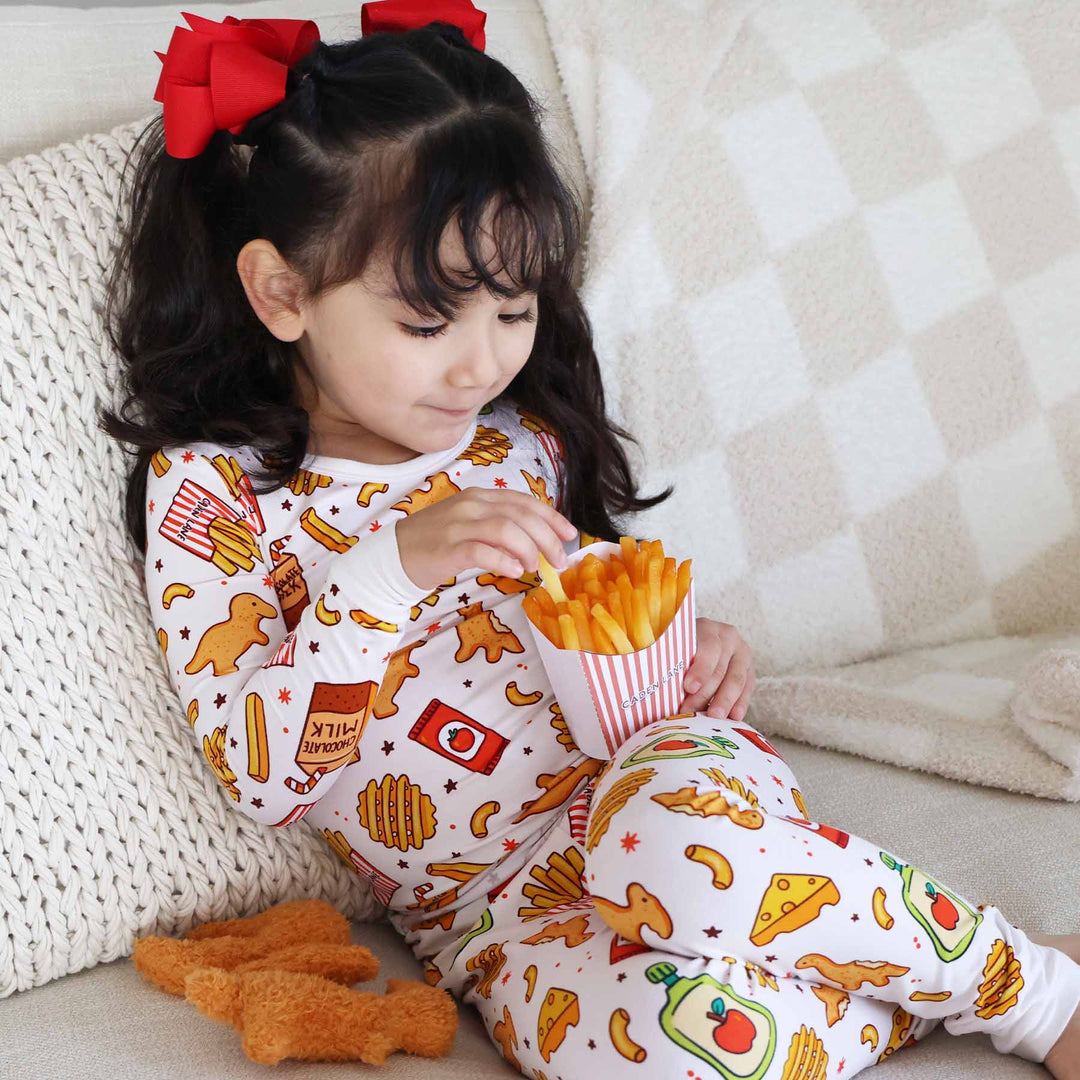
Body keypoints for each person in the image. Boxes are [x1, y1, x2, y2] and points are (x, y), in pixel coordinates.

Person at [98, 5, 1080, 1077]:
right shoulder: (215, 499)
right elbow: (264, 777)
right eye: (430, 323)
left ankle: (1034, 994)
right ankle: (903, 975)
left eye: (512, 307)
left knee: (680, 858)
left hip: (657, 794)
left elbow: (595, 614)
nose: (482, 366)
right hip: (493, 914)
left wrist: (692, 645)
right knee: (667, 1052)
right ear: (282, 292)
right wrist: (388, 569)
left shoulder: (515, 440)